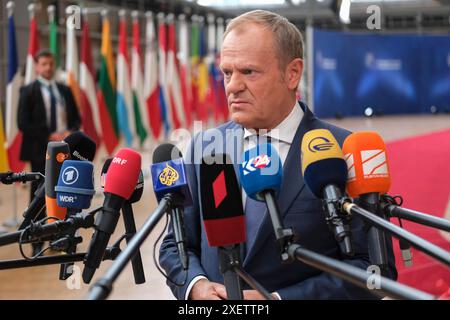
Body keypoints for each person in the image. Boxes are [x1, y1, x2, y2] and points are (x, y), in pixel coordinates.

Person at [159, 10, 397, 300]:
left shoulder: (343, 150)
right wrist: (195, 286)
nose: (232, 86)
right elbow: (176, 243)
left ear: (292, 73)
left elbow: (374, 270)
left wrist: (277, 300)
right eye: (227, 72)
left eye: (248, 72)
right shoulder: (205, 147)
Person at [17, 49, 81, 256]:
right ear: (36, 66)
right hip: (40, 150)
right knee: (40, 194)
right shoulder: (27, 91)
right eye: (43, 64)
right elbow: (23, 122)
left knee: (64, 192)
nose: (48, 67)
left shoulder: (63, 89)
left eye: (50, 64)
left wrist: (69, 132)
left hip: (65, 150)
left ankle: (59, 237)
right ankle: (36, 239)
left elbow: (75, 118)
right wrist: (49, 136)